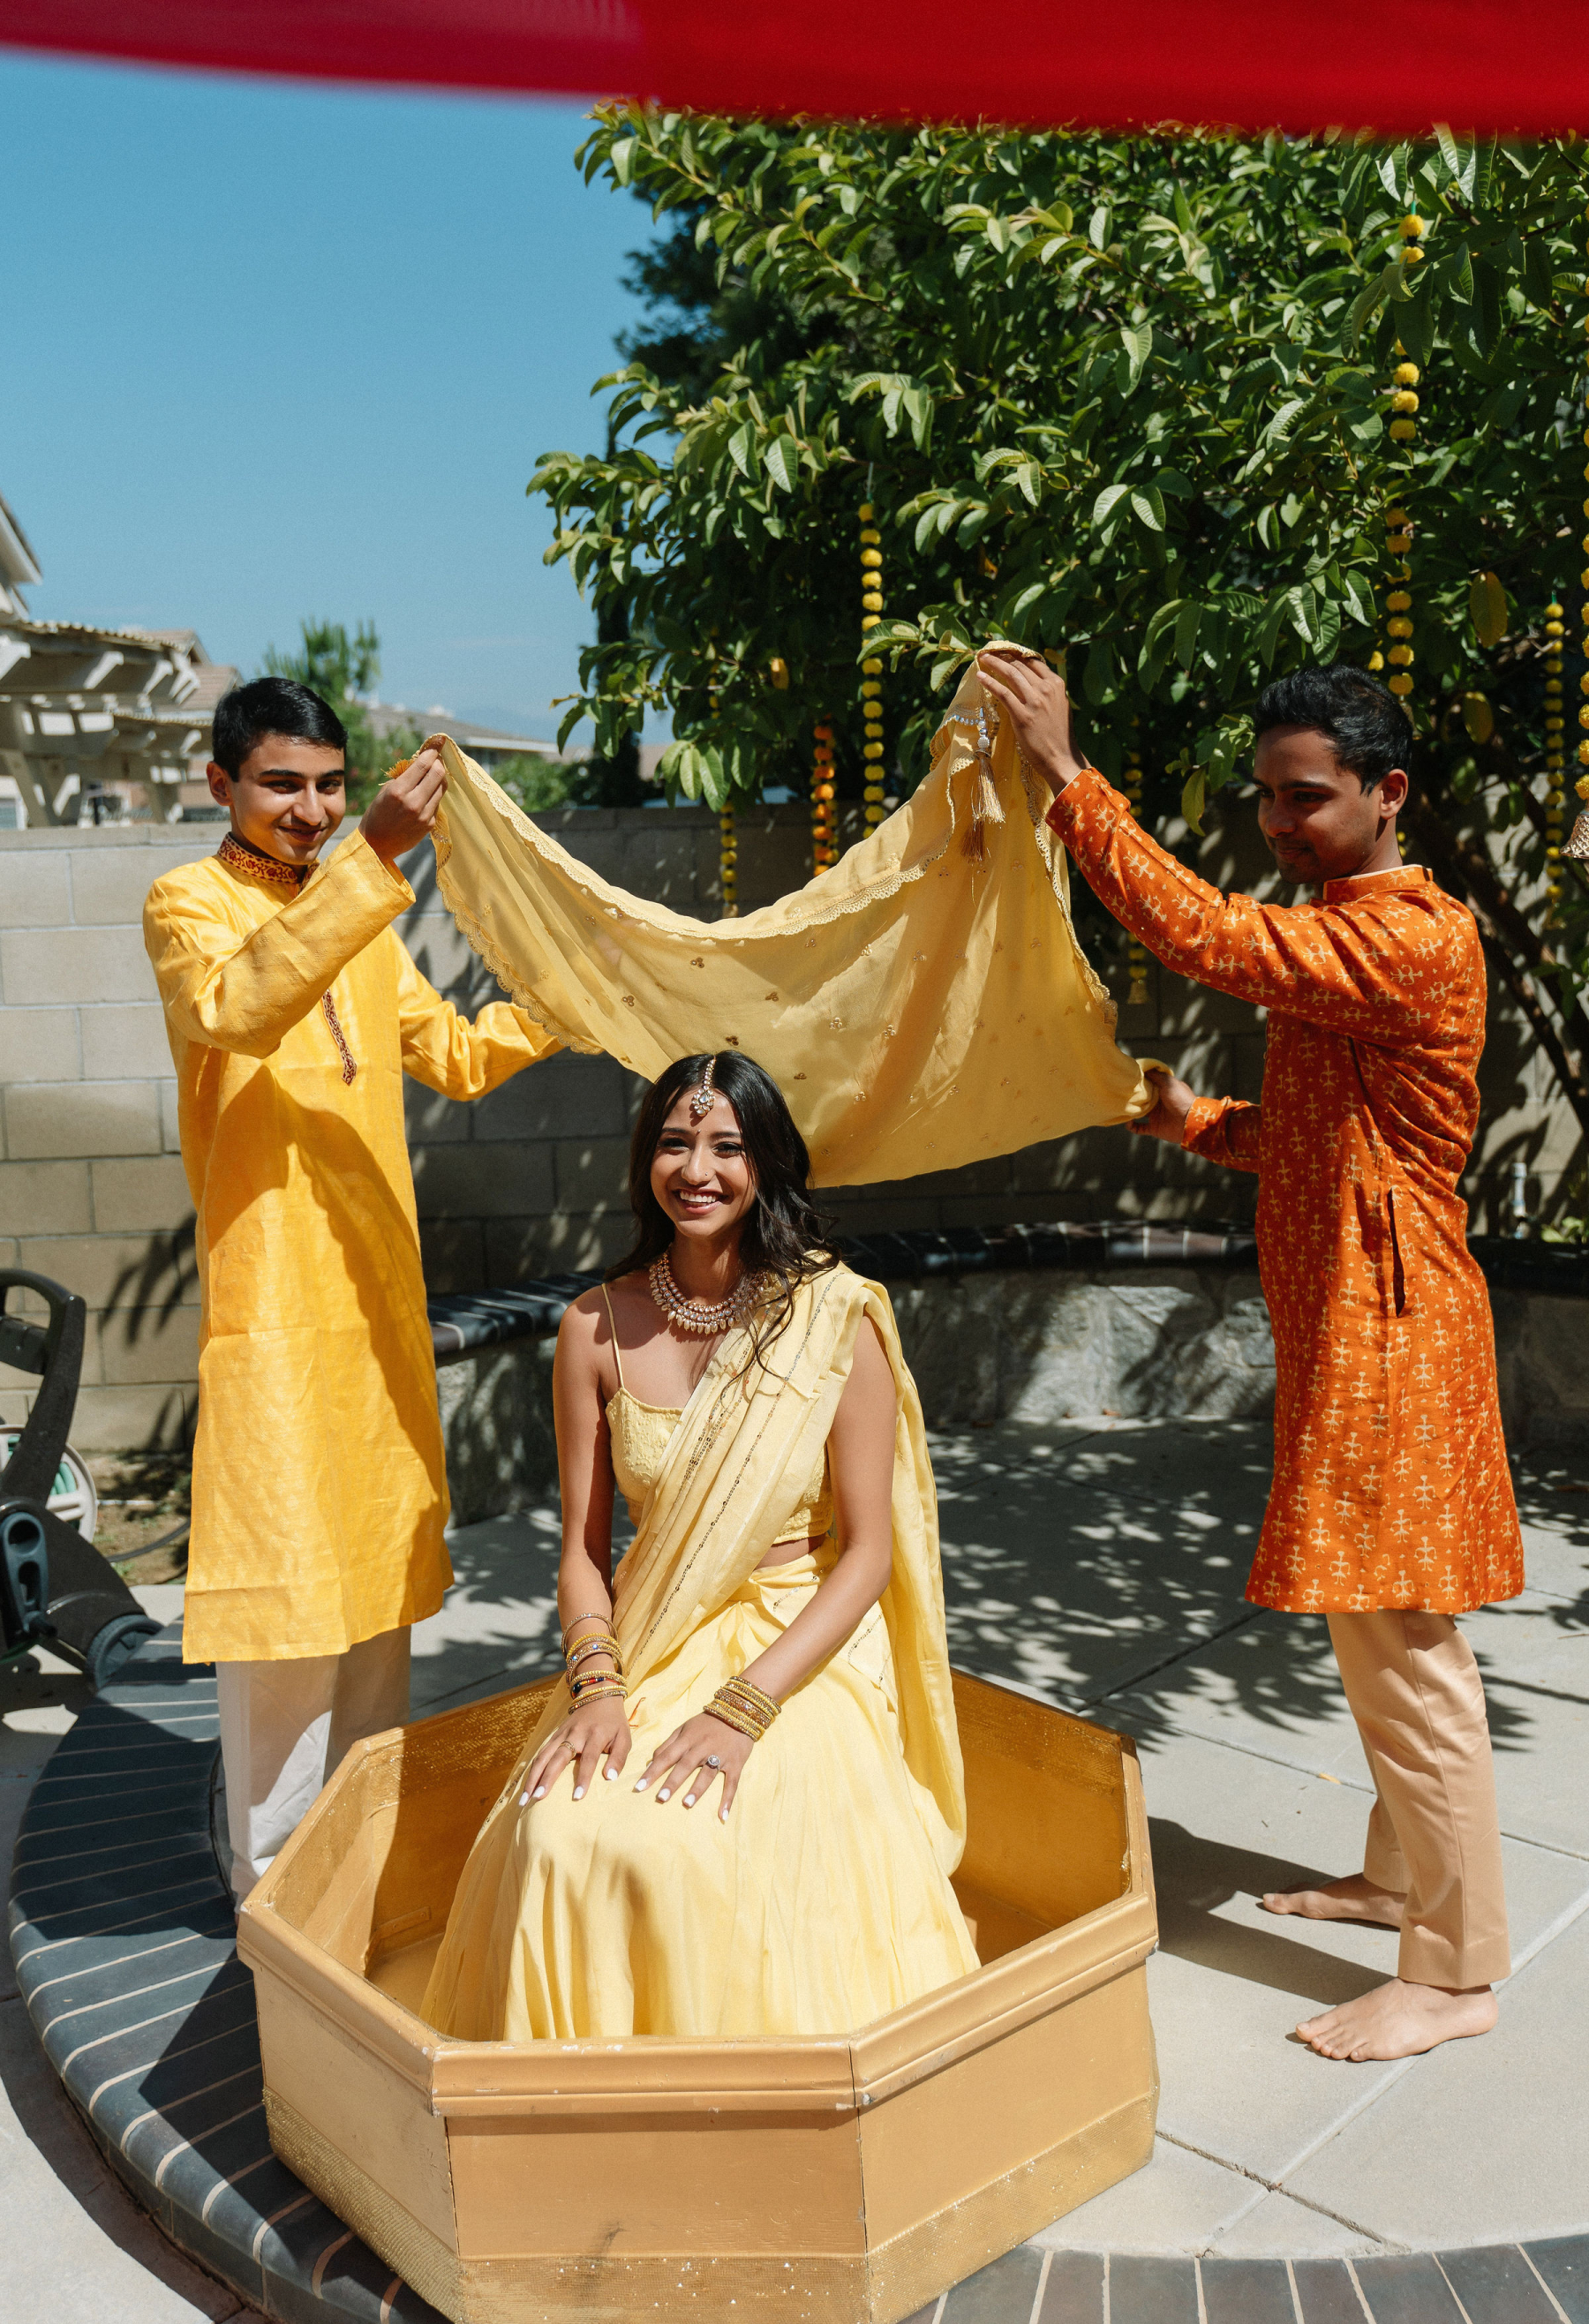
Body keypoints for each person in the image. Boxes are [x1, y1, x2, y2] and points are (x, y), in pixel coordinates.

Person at [976, 650, 1522, 2065]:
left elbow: (1209, 938)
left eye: (1308, 798)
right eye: (1269, 799)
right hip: (1367, 1321)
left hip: (1394, 1332)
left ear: (1388, 794)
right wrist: (1193, 1125)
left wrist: (1066, 775)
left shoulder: (1407, 935)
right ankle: (1399, 1879)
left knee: (1405, 1650)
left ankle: (1456, 1974)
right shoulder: (1356, 928)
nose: (1280, 823)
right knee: (1382, 1630)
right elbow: (1327, 1138)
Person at [420, 1050, 979, 2040]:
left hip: (799, 1640)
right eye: (676, 1141)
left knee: (694, 1839)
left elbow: (866, 1559)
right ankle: (572, 2108)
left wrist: (744, 1710)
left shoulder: (833, 1321)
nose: (698, 1168)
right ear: (647, 1160)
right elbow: (585, 1553)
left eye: (726, 1144)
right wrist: (597, 1687)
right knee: (556, 1830)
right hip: (654, 1629)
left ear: (766, 1164)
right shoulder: (592, 1328)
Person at [143, 681, 559, 1900]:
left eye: (331, 786)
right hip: (272, 1310)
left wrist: (570, 1010)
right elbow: (238, 1007)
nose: (311, 809)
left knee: (376, 1604)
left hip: (374, 1307)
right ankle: (274, 1904)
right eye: (282, 784)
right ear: (220, 785)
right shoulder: (186, 906)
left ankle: (364, 1887)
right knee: (284, 1618)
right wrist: (374, 851)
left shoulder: (362, 917)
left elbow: (460, 1056)